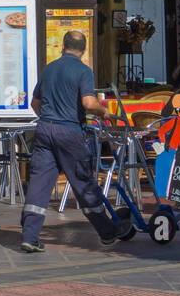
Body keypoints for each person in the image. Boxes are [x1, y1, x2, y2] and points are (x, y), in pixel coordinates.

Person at [21, 31, 119, 254]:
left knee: (40, 182)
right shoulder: (84, 71)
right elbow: (88, 102)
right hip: (69, 131)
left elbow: (35, 103)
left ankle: (29, 237)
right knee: (82, 182)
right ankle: (107, 232)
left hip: (45, 129)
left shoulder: (49, 69)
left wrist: (49, 118)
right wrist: (103, 111)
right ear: (83, 50)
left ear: (62, 46)